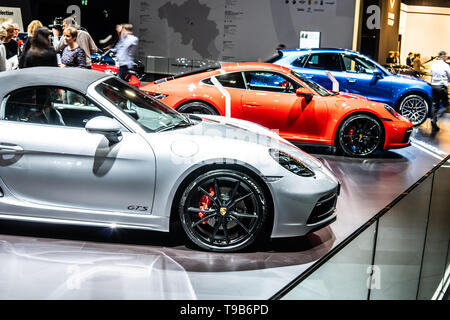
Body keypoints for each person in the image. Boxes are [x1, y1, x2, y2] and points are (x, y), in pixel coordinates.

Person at [430, 51, 450, 133]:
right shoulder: (446, 66)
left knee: (434, 104)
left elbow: (432, 73)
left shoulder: (433, 65)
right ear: (444, 56)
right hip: (442, 86)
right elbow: (449, 76)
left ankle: (433, 120)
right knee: (446, 105)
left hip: (434, 86)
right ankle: (436, 117)